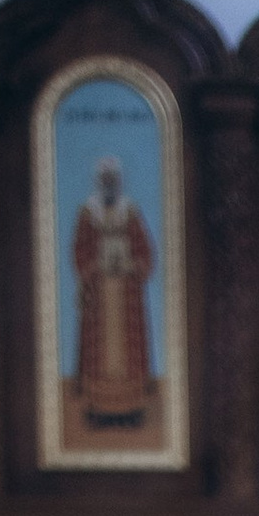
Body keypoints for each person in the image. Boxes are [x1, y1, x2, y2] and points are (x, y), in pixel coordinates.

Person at [70, 151, 156, 432]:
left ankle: (131, 410)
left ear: (118, 182)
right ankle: (99, 411)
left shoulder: (130, 212)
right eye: (105, 179)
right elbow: (79, 249)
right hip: (100, 293)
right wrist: (93, 266)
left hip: (126, 291)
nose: (109, 184)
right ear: (99, 181)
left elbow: (145, 249)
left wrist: (133, 264)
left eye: (113, 179)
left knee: (128, 350)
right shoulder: (88, 212)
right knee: (100, 353)